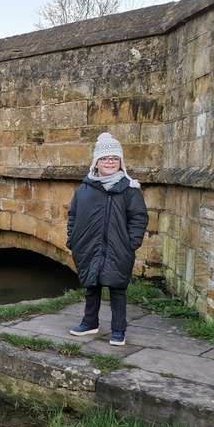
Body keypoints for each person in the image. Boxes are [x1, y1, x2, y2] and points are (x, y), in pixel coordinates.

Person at [66, 132, 148, 346]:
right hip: (88, 247)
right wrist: (72, 239)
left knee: (117, 288)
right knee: (91, 285)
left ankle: (118, 330)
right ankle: (89, 322)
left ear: (120, 162)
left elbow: (139, 217)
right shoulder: (84, 189)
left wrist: (132, 243)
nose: (109, 162)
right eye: (104, 158)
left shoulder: (130, 190)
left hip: (119, 248)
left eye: (114, 158)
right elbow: (73, 216)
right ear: (96, 162)